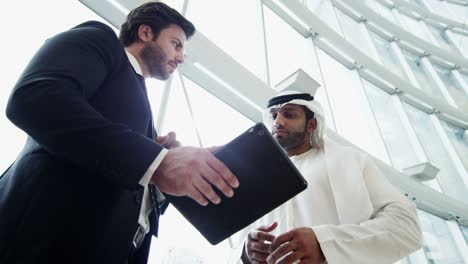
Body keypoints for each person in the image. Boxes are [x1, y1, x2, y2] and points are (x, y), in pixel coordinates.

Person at [0, 2, 239, 264]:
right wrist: (156, 160)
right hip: (41, 241)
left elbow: (129, 178)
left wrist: (160, 170)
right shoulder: (99, 40)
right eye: (176, 44)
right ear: (146, 33)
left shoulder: (145, 114)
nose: (181, 57)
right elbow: (36, 98)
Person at [238, 90, 422, 264]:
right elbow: (233, 246)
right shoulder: (257, 178)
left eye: (289, 115)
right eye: (274, 116)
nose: (278, 122)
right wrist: (246, 252)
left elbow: (405, 227)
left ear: (312, 125)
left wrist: (325, 244)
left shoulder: (351, 161)